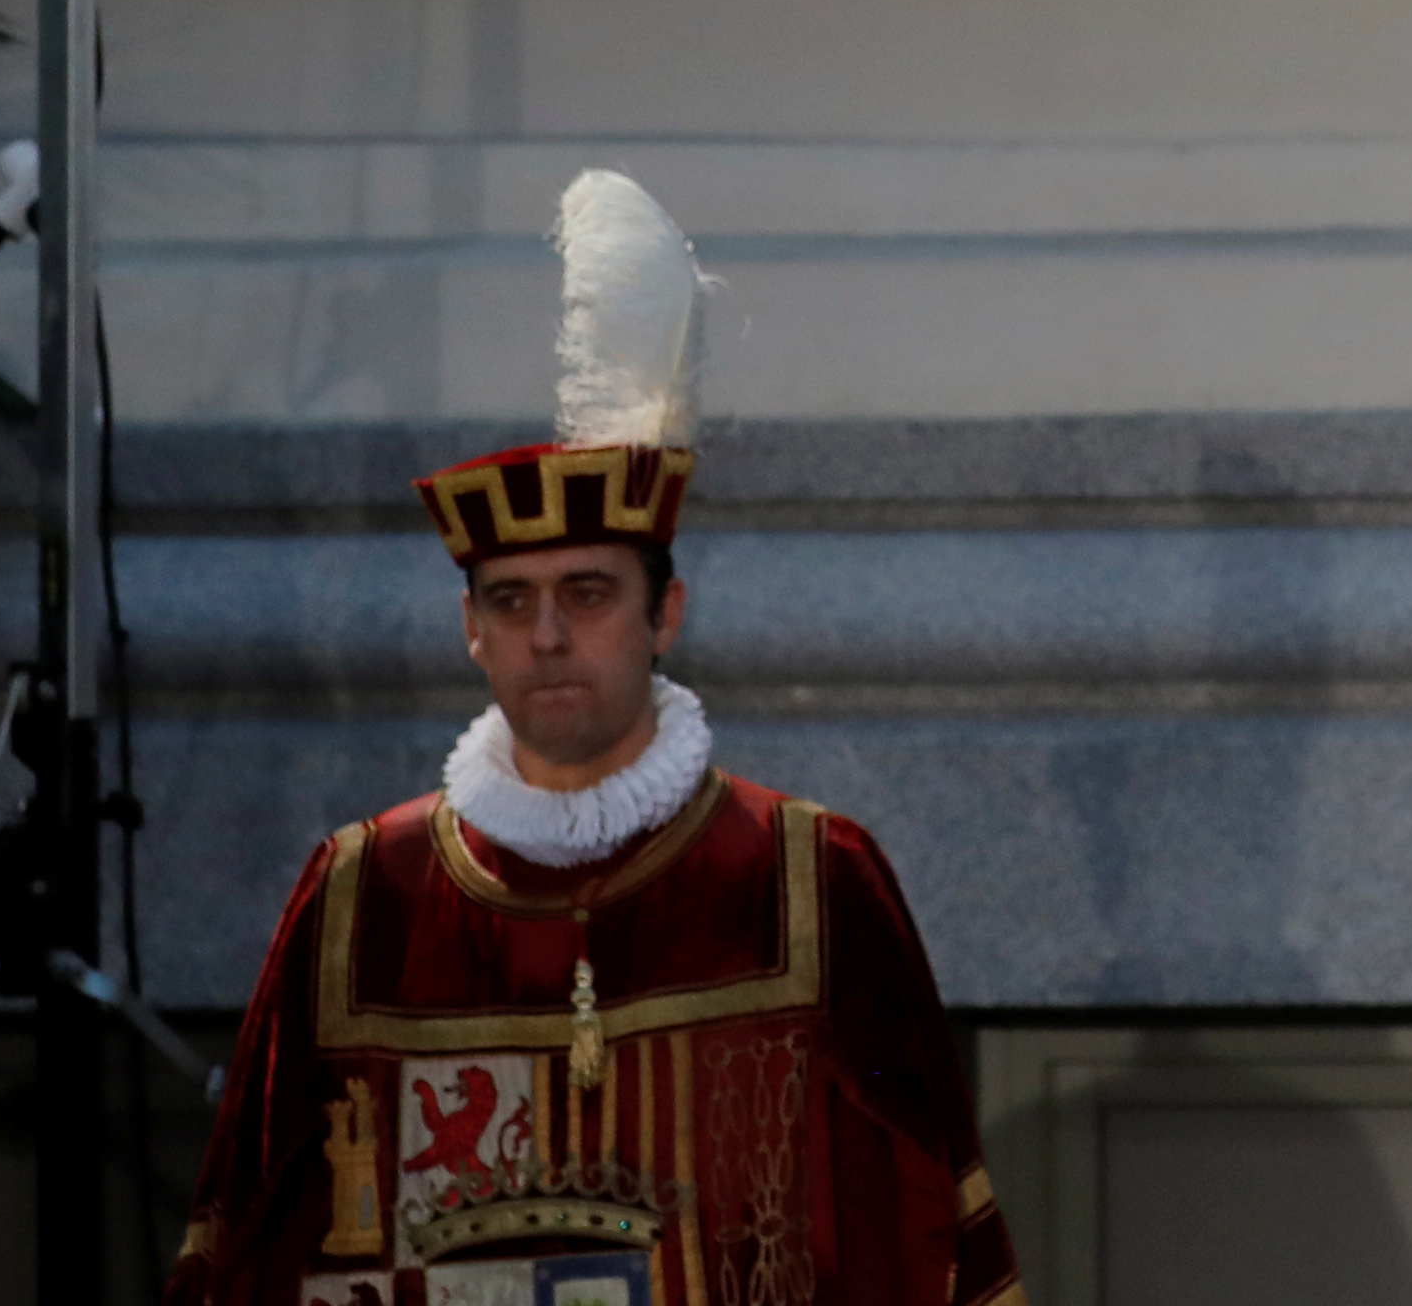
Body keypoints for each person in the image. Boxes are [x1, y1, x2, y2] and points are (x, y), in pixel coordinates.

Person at [166, 172, 1016, 1306]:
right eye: (511, 603)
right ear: (471, 631)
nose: (550, 635)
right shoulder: (365, 900)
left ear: (667, 612)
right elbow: (243, 1257)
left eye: (589, 593)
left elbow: (936, 1244)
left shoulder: (808, 880)